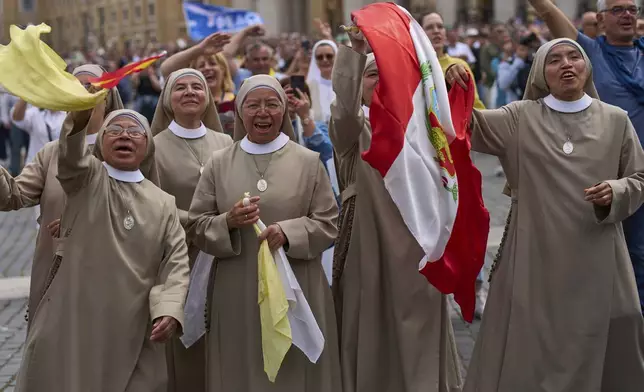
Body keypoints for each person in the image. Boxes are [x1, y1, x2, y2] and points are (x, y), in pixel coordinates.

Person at [446, 37, 644, 392]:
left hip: (597, 251)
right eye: (554, 59)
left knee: (621, 321)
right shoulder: (519, 117)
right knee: (530, 337)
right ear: (540, 72)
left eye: (574, 57)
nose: (566, 64)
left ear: (587, 67)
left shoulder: (616, 120)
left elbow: (639, 178)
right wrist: (452, 77)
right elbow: (462, 125)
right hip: (533, 252)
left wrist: (616, 192)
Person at [15, 106, 191, 392]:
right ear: (100, 142)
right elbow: (71, 155)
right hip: (74, 322)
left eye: (135, 131)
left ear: (148, 145)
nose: (125, 136)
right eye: (115, 130)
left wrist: (169, 309)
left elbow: (176, 263)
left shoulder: (163, 202)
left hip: (134, 326)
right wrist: (81, 115)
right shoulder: (86, 180)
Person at [186, 75, 341, 391]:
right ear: (240, 112)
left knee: (295, 372)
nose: (263, 113)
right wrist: (227, 221)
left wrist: (288, 232)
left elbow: (328, 223)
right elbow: (197, 225)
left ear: (284, 111)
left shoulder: (308, 161)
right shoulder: (218, 163)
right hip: (236, 289)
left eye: (272, 105)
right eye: (253, 105)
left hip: (297, 286)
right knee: (241, 366)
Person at [330, 28, 463, 392]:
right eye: (371, 74)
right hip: (367, 237)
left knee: (418, 318)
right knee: (367, 317)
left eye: (384, 74)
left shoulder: (421, 128)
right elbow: (342, 109)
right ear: (358, 83)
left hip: (417, 238)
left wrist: (451, 80)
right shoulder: (351, 129)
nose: (378, 81)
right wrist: (355, 52)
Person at [527, 0, 644, 314]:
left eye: (633, 9)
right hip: (609, 176)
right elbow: (550, 14)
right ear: (602, 19)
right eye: (618, 9)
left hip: (640, 175)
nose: (627, 15)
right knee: (616, 259)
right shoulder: (590, 52)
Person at [0, 64, 124, 330]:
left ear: (108, 97)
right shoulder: (50, 153)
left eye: (91, 87)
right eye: (74, 86)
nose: (81, 92)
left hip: (112, 269)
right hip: (58, 271)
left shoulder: (127, 148)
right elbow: (13, 196)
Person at [150, 68, 232, 392]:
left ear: (207, 96)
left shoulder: (225, 142)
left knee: (224, 333)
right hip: (178, 256)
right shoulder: (154, 146)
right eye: (179, 87)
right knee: (186, 343)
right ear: (168, 100)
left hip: (223, 255)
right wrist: (206, 224)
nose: (189, 92)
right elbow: (152, 201)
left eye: (197, 86)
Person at [159, 33, 236, 106]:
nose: (207, 68)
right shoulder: (191, 104)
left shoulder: (237, 102)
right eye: (201, 66)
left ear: (223, 70)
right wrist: (199, 49)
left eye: (212, 63)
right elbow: (165, 69)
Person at [306, 40, 338, 124]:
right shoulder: (308, 87)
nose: (324, 60)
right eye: (320, 57)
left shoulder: (347, 85)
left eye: (329, 56)